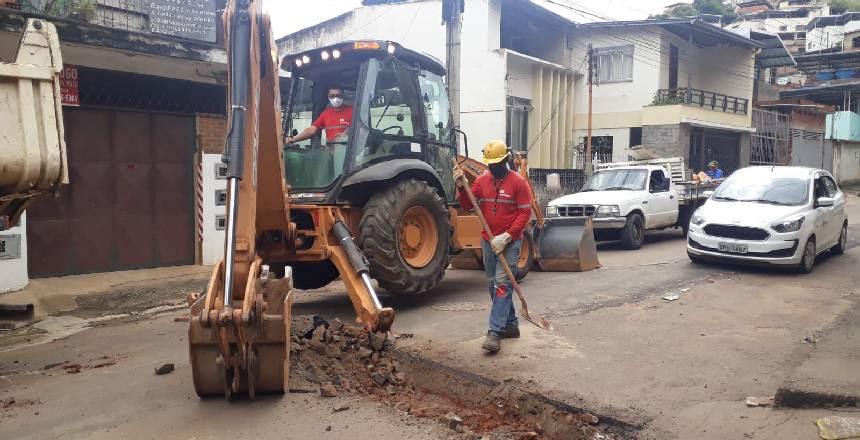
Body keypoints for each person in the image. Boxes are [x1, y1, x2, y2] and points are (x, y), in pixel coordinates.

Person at [452, 141, 532, 353]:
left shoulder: (518, 183)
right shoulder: (481, 181)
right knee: (492, 285)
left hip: (511, 242)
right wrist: (461, 187)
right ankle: (511, 324)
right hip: (488, 240)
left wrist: (507, 237)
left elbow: (525, 213)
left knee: (502, 285)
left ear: (505, 160)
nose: (493, 168)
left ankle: (495, 332)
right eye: (490, 165)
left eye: (496, 164)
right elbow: (468, 205)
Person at [286, 87, 353, 144]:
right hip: (330, 152)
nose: (335, 99)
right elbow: (311, 130)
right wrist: (293, 139)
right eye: (332, 96)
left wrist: (347, 136)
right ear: (328, 97)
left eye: (338, 95)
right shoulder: (326, 113)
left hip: (347, 152)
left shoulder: (353, 111)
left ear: (343, 96)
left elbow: (361, 130)